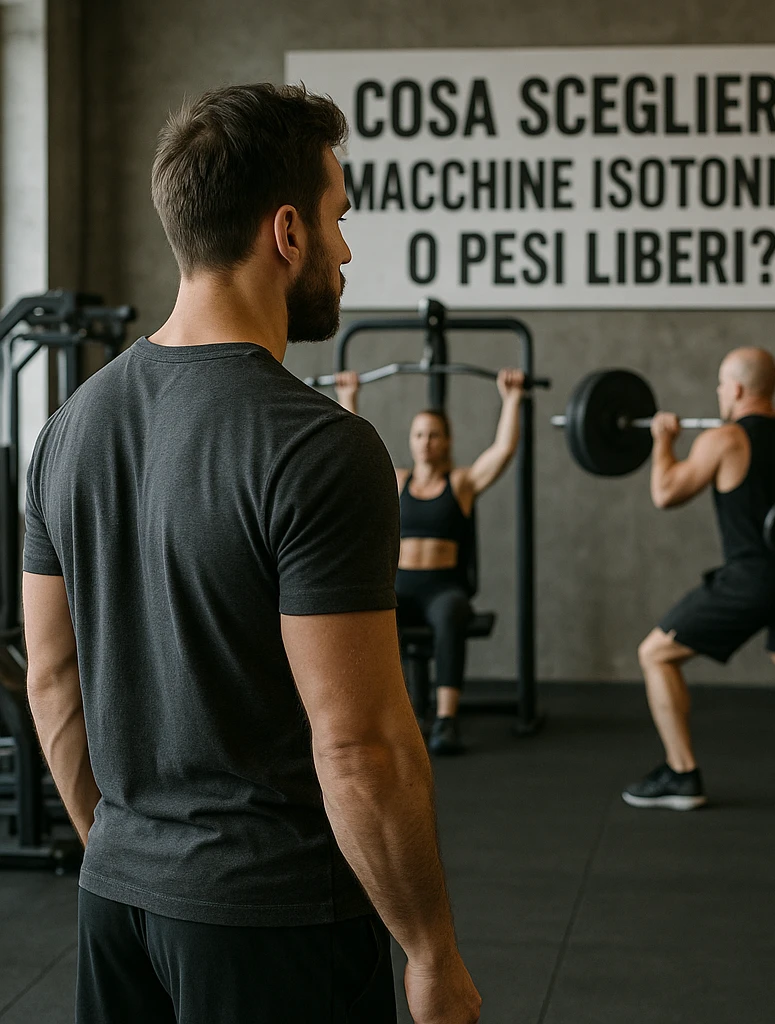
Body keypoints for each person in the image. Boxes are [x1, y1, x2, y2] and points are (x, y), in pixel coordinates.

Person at [22, 83, 480, 1024]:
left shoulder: (66, 430)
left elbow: (53, 680)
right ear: (288, 233)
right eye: (338, 219)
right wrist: (431, 951)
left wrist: (123, 853)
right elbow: (359, 745)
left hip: (116, 908)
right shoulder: (319, 447)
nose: (346, 250)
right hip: (274, 922)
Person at [622, 347, 775, 811]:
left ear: (738, 388)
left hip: (753, 578)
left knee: (656, 655)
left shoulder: (726, 439)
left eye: (722, 385)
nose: (720, 393)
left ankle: (682, 773)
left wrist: (662, 441)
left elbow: (666, 494)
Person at [335, 369, 525, 755]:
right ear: (412, 440)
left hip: (444, 588)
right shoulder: (398, 479)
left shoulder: (461, 485)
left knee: (452, 613)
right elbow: (353, 450)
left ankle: (446, 720)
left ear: (446, 441)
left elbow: (502, 451)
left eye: (434, 435)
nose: (426, 442)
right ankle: (394, 718)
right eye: (419, 434)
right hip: (401, 585)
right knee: (376, 617)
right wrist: (348, 395)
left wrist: (512, 400)